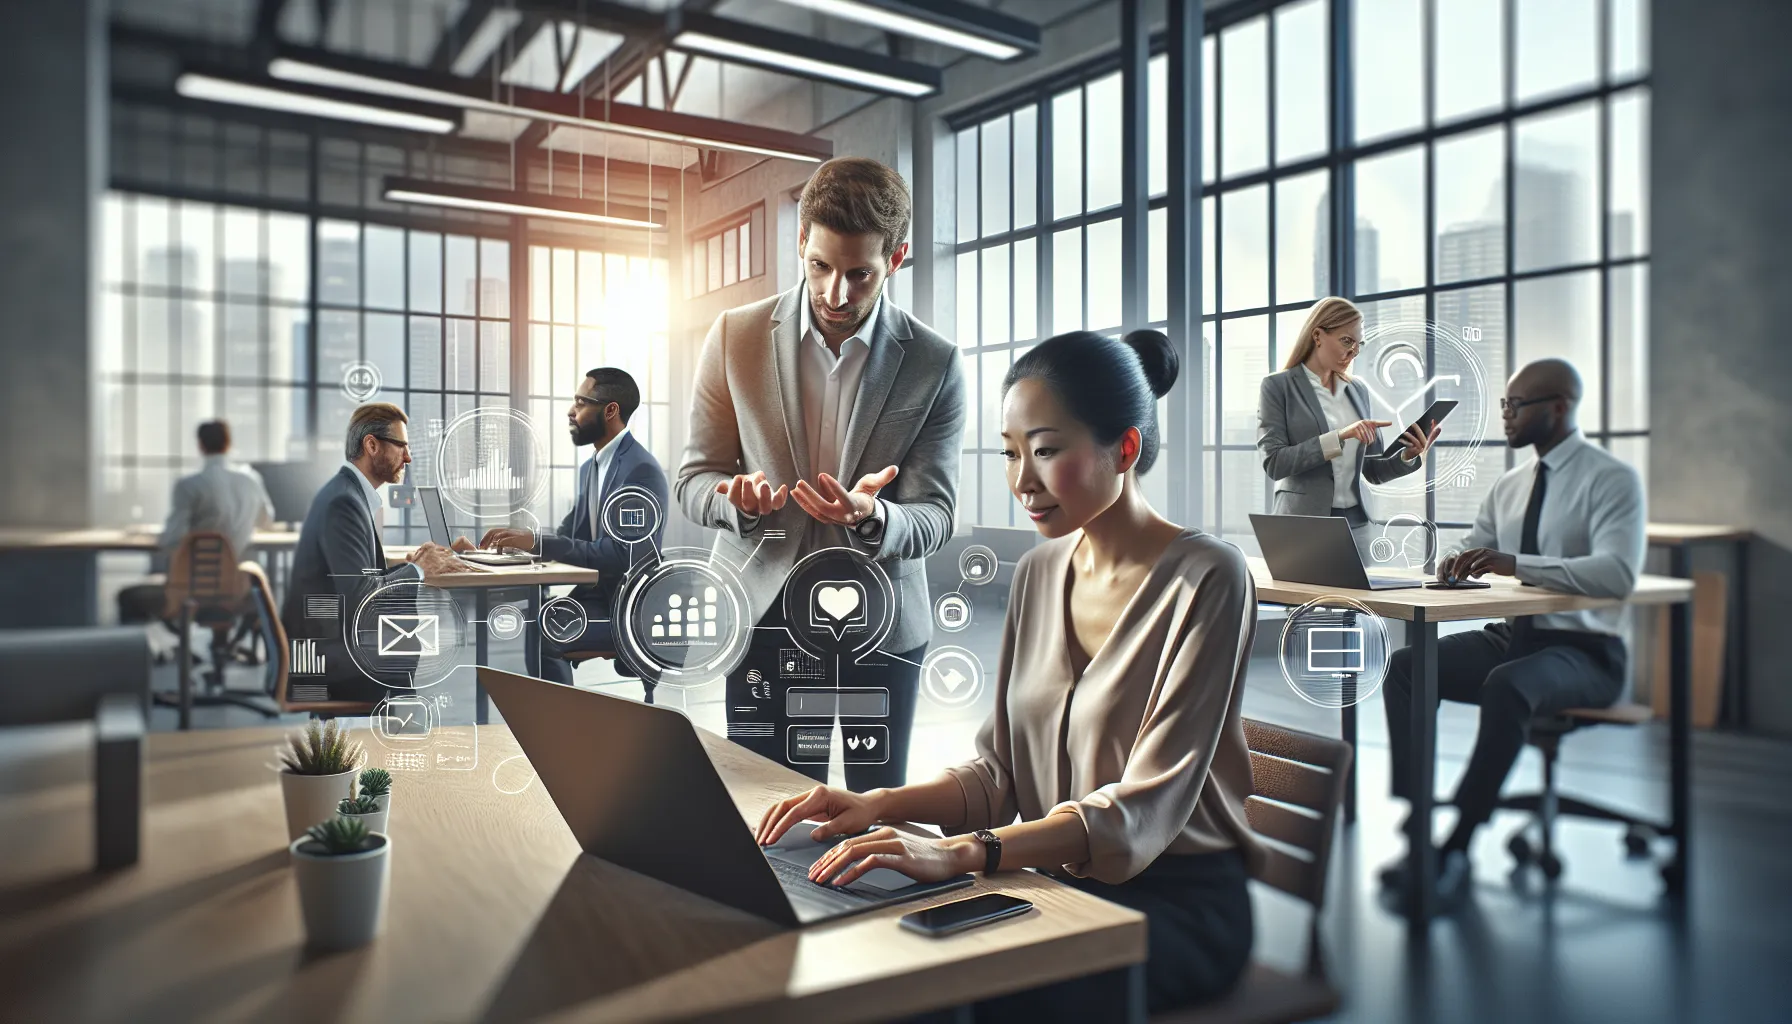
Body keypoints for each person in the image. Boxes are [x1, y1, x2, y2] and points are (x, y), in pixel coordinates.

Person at [755, 330, 1263, 1019]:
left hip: (1174, 906)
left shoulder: (1209, 577)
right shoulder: (1038, 573)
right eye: (1009, 453)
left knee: (955, 998)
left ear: (1126, 448)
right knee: (875, 963)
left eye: (1047, 451)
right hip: (1049, 884)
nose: (1022, 481)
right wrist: (879, 804)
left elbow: (1139, 815)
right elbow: (999, 777)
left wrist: (964, 854)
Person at [676, 156, 966, 791]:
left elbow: (937, 514)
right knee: (767, 806)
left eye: (860, 274)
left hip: (884, 623)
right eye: (820, 267)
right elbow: (693, 479)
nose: (837, 294)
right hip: (761, 615)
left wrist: (878, 517)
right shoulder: (734, 337)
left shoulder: (937, 363)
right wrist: (737, 502)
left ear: (897, 257)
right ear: (801, 242)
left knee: (874, 809)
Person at [1379, 358, 1646, 910]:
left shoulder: (1612, 479)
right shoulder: (1510, 484)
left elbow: (1617, 573)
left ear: (1559, 407)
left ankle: (1455, 846)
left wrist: (1516, 562)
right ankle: (1419, 815)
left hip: (1586, 650)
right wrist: (1458, 563)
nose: (1505, 414)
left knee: (1507, 685)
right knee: (1407, 667)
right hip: (1512, 637)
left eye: (1515, 405)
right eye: (1503, 404)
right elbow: (1477, 545)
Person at [459, 368, 667, 696]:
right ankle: (557, 720)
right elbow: (569, 533)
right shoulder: (591, 468)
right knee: (536, 622)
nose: (572, 411)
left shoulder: (639, 470)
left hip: (626, 610)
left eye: (582, 402)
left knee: (544, 630)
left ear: (610, 410)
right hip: (597, 600)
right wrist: (515, 543)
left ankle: (564, 725)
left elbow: (621, 554)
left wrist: (537, 543)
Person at [281, 402, 473, 703]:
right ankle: (405, 733)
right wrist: (418, 571)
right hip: (322, 662)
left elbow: (359, 581)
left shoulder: (347, 493)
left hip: (326, 646)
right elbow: (361, 599)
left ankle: (401, 731)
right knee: (417, 645)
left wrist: (420, 564)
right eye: (401, 446)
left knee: (407, 639)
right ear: (371, 445)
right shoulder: (343, 503)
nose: (407, 457)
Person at [1257, 296, 1441, 556]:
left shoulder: (1358, 390)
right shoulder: (1277, 387)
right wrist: (1340, 437)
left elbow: (1372, 470)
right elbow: (1274, 463)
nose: (1353, 352)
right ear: (1318, 335)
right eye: (1347, 341)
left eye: (1359, 345)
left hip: (1357, 525)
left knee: (1358, 598)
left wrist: (1407, 456)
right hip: (1303, 526)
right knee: (1307, 597)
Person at [118, 419, 278, 657]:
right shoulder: (251, 481)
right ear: (229, 444)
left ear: (201, 446)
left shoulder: (189, 486)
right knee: (227, 584)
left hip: (190, 592)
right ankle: (223, 648)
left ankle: (136, 667)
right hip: (236, 591)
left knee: (127, 597)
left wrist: (158, 534)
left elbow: (172, 541)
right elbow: (266, 521)